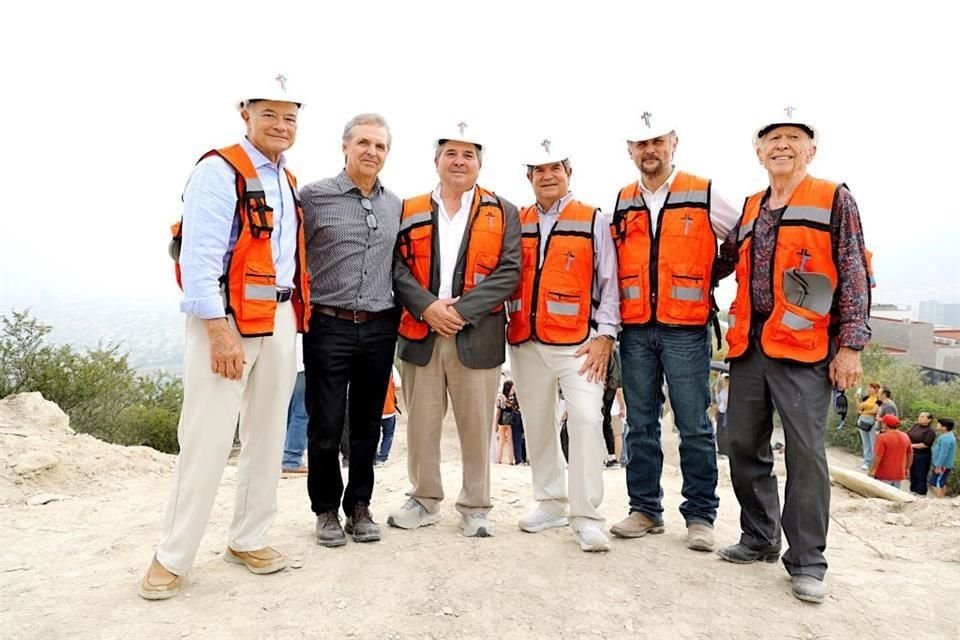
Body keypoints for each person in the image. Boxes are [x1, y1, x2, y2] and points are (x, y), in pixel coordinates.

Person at [140, 76, 310, 600]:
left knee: (266, 437)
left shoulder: (286, 178)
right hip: (229, 321)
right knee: (208, 438)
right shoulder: (219, 171)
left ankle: (249, 537)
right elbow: (199, 258)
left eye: (290, 117)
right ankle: (173, 555)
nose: (281, 126)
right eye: (270, 115)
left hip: (280, 317)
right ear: (245, 114)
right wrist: (218, 330)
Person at [717, 107, 871, 604]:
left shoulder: (834, 199)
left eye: (793, 138)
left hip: (806, 351)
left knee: (805, 455)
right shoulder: (748, 208)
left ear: (811, 149)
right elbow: (718, 261)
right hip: (750, 346)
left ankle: (807, 562)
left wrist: (850, 345)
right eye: (772, 139)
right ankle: (760, 537)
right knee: (741, 443)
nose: (782, 145)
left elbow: (853, 274)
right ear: (759, 151)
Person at [608, 111, 739, 552]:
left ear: (673, 143)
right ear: (630, 150)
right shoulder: (623, 200)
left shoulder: (702, 192)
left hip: (685, 329)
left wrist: (710, 274)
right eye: (641, 143)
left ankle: (700, 515)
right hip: (635, 328)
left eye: (657, 141)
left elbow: (739, 238)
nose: (649, 150)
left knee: (694, 424)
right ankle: (645, 508)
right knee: (639, 423)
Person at [388, 122, 521, 538]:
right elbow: (395, 267)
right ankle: (424, 499)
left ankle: (476, 506)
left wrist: (460, 311)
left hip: (475, 335)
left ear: (480, 163)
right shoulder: (407, 208)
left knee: (477, 425)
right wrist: (427, 306)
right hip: (420, 332)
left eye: (469, 155)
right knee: (422, 424)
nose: (459, 161)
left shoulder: (503, 210)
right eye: (451, 153)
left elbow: (509, 271)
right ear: (436, 160)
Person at [507, 138, 620, 552]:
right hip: (524, 340)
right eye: (539, 170)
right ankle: (551, 502)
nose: (548, 175)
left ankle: (587, 516)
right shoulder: (517, 221)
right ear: (529, 177)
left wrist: (605, 334)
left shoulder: (592, 219)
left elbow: (609, 282)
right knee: (537, 422)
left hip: (579, 344)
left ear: (568, 172)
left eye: (555, 167)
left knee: (588, 419)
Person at [300, 113, 402, 547]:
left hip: (380, 327)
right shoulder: (314, 197)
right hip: (328, 324)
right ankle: (325, 510)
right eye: (363, 143)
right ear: (345, 146)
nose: (371, 152)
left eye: (379, 146)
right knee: (325, 422)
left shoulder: (395, 204)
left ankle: (359, 507)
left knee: (368, 424)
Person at [282, 334, 308, 475]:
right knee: (301, 413)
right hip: (302, 364)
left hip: (286, 363)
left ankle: (282, 457)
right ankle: (292, 460)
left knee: (285, 412)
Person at [869, 414, 912, 488]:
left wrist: (873, 470)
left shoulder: (882, 437)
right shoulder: (905, 436)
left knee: (881, 496)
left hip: (883, 474)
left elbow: (878, 456)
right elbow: (910, 455)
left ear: (885, 424)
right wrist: (907, 468)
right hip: (898, 474)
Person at [375, 365, 402, 466]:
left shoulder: (366, 364)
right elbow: (398, 385)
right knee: (388, 434)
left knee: (373, 434)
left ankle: (372, 456)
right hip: (388, 408)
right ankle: (381, 458)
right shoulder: (391, 367)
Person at [601, 345, 623, 468]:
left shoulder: (610, 349)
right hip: (610, 388)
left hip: (604, 388)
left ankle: (606, 457)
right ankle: (612, 457)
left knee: (600, 422)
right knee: (606, 423)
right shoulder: (614, 349)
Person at [907, 411, 936, 494]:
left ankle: (921, 492)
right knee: (912, 473)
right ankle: (913, 490)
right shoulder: (916, 426)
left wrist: (911, 446)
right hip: (912, 454)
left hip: (922, 455)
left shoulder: (930, 431)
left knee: (921, 474)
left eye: (923, 417)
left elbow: (925, 444)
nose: (920, 418)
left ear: (929, 420)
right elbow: (908, 435)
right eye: (920, 416)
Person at [856, 382, 881, 470]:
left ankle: (874, 463)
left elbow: (875, 410)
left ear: (876, 389)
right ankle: (867, 461)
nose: (869, 389)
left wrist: (863, 412)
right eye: (868, 388)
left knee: (873, 442)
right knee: (865, 442)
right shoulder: (866, 398)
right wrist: (857, 398)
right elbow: (859, 408)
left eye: (871, 388)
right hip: (863, 420)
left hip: (872, 421)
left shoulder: (879, 399)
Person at [929, 417, 956, 498]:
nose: (937, 425)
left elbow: (943, 454)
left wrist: (938, 466)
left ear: (944, 427)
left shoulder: (946, 439)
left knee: (935, 483)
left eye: (938, 424)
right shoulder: (947, 435)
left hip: (942, 466)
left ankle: (939, 501)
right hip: (942, 465)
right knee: (941, 482)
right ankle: (942, 498)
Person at [496, 381, 518, 464]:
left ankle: (499, 459)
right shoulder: (512, 397)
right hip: (509, 421)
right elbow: (510, 405)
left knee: (501, 441)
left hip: (501, 420)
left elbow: (498, 411)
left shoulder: (500, 397)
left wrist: (496, 424)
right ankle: (511, 460)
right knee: (510, 441)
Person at [714, 374, 730, 458]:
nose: (726, 381)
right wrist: (716, 392)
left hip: (727, 413)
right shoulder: (723, 390)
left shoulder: (731, 390)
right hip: (721, 411)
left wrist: (725, 400)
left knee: (726, 431)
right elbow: (718, 400)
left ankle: (726, 449)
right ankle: (721, 449)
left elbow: (729, 402)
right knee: (719, 431)